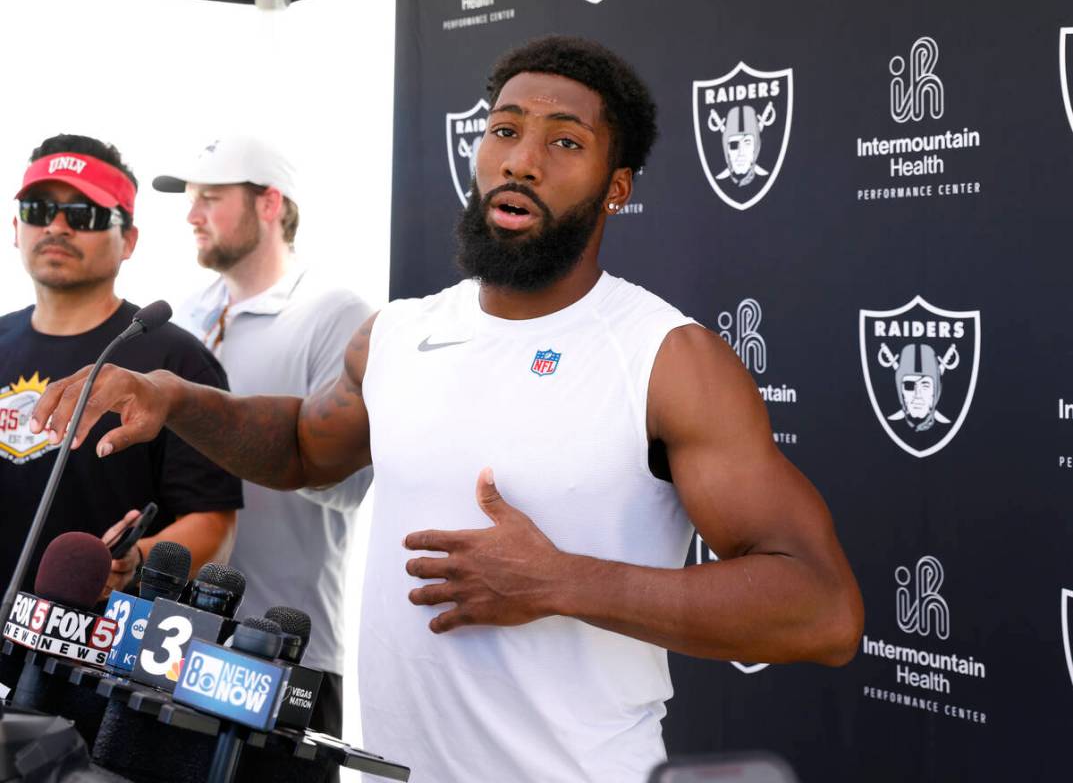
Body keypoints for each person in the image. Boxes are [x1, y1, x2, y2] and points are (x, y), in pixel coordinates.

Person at [33, 38, 864, 783]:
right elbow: (298, 448)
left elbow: (821, 609)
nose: (522, 161)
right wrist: (174, 397)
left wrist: (564, 582)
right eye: (504, 130)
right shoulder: (399, 333)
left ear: (616, 189)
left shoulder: (666, 358)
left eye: (563, 142)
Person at [150, 136, 373, 739]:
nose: (193, 215)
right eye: (191, 200)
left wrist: (243, 435)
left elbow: (350, 485)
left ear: (270, 204)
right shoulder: (182, 318)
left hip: (286, 645)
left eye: (211, 199)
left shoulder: (334, 313)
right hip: (172, 643)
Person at [0, 133, 241, 602]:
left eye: (84, 214)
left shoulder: (175, 361)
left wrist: (135, 561)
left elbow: (214, 525)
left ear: (128, 240)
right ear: (16, 227)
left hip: (101, 656)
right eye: (39, 210)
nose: (58, 227)